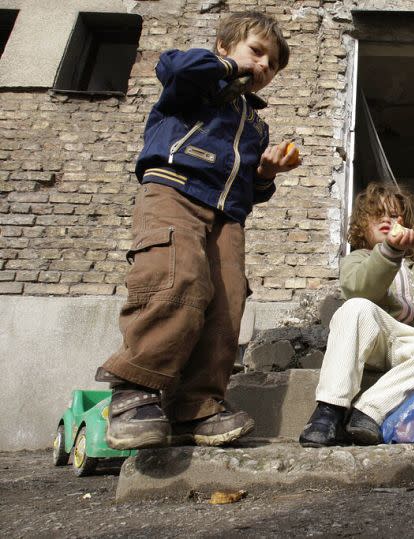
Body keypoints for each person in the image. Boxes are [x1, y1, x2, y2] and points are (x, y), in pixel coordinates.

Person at [95, 11, 298, 449]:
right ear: (224, 47)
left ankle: (198, 407)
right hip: (175, 192)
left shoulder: (256, 125)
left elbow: (249, 190)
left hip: (227, 216)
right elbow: (175, 66)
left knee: (226, 302)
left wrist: (264, 173)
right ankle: (137, 390)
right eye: (256, 52)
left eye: (273, 63)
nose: (263, 66)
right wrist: (225, 69)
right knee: (176, 276)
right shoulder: (196, 79)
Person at [299, 182, 414, 447]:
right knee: (355, 307)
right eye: (378, 215)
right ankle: (329, 411)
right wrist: (389, 253)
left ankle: (367, 411)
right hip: (369, 340)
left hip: (404, 343)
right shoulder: (356, 259)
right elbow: (361, 289)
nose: (387, 219)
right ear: (362, 226)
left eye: (394, 215)